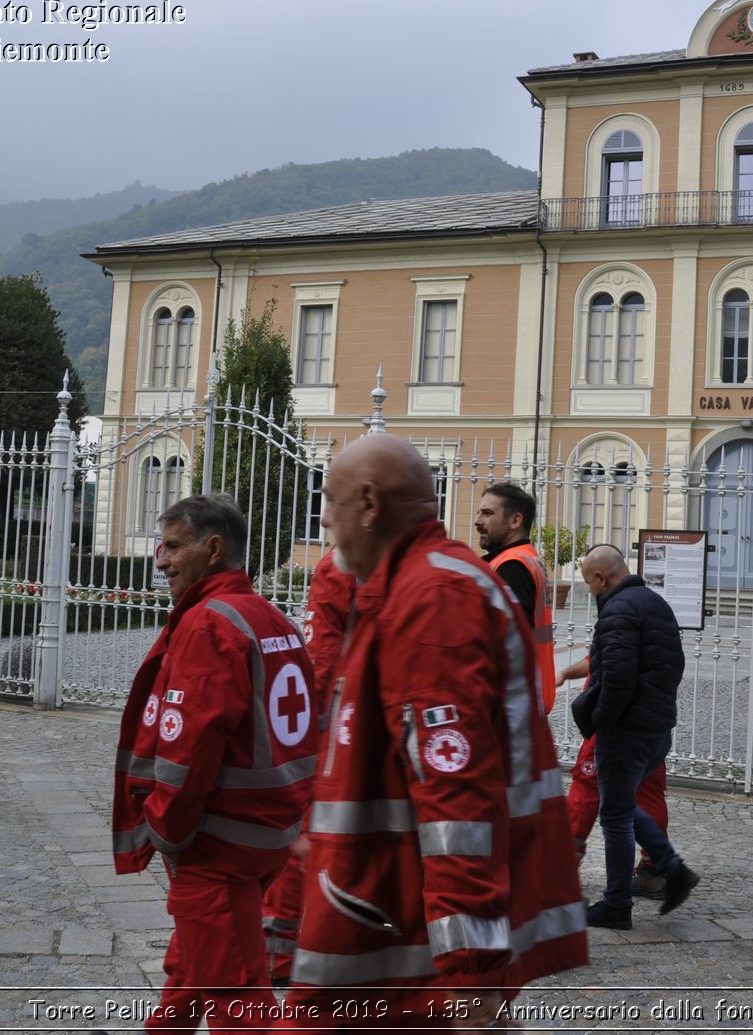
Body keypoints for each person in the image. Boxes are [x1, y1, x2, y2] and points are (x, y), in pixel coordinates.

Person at [285, 433, 587, 1028]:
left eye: (329, 499)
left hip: (407, 939)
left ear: (369, 504)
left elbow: (457, 796)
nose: (322, 519)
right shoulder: (416, 582)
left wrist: (470, 973)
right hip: (383, 911)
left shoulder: (432, 598)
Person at [112, 494, 318, 1033]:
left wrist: (165, 829)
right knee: (192, 964)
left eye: (174, 546)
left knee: (238, 999)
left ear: (214, 548)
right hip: (268, 833)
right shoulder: (273, 617)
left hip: (217, 842)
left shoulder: (208, 624)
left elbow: (190, 749)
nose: (160, 559)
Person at [571, 544, 699, 931]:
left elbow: (617, 676)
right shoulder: (655, 603)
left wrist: (600, 721)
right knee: (623, 805)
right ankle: (673, 870)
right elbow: (672, 664)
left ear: (601, 577)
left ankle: (616, 904)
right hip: (655, 727)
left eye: (588, 584)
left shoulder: (618, 609)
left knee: (614, 817)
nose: (589, 592)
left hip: (625, 730)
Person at [261, 546, 356, 987]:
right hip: (368, 719)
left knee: (304, 833)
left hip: (337, 720)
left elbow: (322, 645)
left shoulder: (342, 562)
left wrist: (307, 725)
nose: (322, 519)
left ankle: (282, 951)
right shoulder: (415, 560)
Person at [556, 655, 670, 899]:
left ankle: (561, 868)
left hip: (615, 721)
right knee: (648, 791)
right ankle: (655, 869)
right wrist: (566, 673)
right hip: (650, 722)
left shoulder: (621, 619)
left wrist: (602, 715)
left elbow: (608, 658)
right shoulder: (661, 621)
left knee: (586, 788)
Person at [475, 481, 558, 711]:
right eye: (479, 512)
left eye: (487, 513)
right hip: (527, 695)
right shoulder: (527, 558)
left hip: (511, 702)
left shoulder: (512, 566)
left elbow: (509, 639)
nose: (477, 521)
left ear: (515, 520)